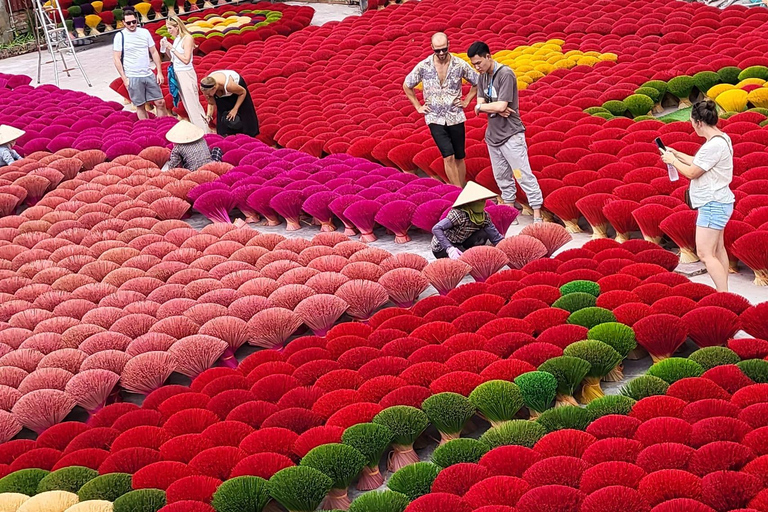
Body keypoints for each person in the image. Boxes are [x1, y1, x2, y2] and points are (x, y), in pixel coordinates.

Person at [661, 99, 735, 292]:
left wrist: (671, 161)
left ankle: (723, 294)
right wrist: (676, 154)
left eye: (692, 122)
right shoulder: (721, 138)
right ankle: (725, 292)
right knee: (718, 249)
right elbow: (699, 162)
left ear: (699, 122)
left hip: (713, 204)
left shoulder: (712, 146)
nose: (692, 126)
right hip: (720, 201)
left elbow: (693, 172)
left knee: (705, 253)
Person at [468, 41, 543, 226]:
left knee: (522, 174)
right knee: (501, 175)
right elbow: (479, 103)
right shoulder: (482, 76)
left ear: (488, 56)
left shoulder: (505, 74)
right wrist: (486, 107)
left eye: (479, 62)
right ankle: (509, 212)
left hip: (511, 134)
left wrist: (485, 107)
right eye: (474, 64)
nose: (477, 67)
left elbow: (499, 105)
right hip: (493, 135)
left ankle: (537, 214)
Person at [404, 32, 478, 187]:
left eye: (444, 49)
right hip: (434, 117)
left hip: (455, 115)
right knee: (448, 155)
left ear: (449, 45)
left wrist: (467, 101)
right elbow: (407, 85)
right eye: (437, 50)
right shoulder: (424, 66)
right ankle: (457, 191)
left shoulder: (459, 64)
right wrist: (418, 106)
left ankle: (462, 188)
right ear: (432, 48)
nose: (442, 53)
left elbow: (477, 81)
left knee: (459, 156)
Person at [113, 9, 168, 120]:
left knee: (160, 102)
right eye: (128, 23)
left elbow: (153, 51)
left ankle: (164, 126)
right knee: (140, 105)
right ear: (123, 22)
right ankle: (147, 129)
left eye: (134, 21)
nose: (132, 24)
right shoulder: (120, 36)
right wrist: (124, 78)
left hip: (148, 73)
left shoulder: (144, 32)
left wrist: (159, 72)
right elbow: (116, 58)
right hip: (132, 76)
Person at [431, 181, 504, 259]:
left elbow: (496, 238)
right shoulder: (458, 214)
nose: (482, 203)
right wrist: (450, 248)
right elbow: (436, 228)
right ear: (470, 202)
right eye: (478, 200)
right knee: (466, 259)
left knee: (483, 234)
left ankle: (467, 254)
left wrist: (506, 246)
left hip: (461, 242)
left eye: (483, 200)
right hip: (443, 247)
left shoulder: (484, 216)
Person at [162, 15, 208, 131]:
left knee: (193, 106)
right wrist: (167, 48)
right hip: (178, 73)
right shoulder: (177, 38)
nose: (169, 31)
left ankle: (204, 132)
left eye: (170, 28)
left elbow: (186, 59)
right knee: (188, 106)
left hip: (186, 74)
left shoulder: (187, 38)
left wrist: (171, 48)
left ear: (177, 27)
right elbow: (174, 58)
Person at [200, 71, 259, 137]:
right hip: (217, 90)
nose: (206, 95)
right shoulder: (207, 89)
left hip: (238, 92)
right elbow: (211, 103)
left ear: (214, 89)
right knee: (222, 114)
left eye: (208, 94)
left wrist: (235, 109)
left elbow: (243, 92)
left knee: (243, 114)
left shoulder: (229, 86)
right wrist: (209, 115)